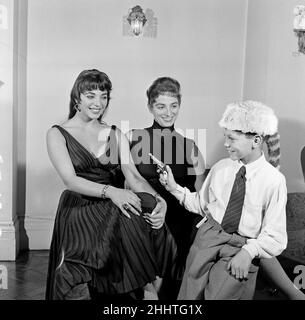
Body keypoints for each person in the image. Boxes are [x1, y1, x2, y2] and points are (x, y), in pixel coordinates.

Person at [45, 69, 176, 300]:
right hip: (80, 205)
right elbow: (70, 180)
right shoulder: (57, 134)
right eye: (91, 95)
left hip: (115, 202)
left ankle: (145, 287)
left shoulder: (115, 133)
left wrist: (160, 201)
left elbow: (134, 177)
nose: (98, 103)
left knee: (151, 214)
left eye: (103, 96)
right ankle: (145, 288)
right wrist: (111, 192)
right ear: (77, 97)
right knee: (124, 220)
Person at [159, 100, 289, 300]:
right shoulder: (221, 168)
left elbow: (275, 236)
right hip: (208, 236)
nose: (226, 143)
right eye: (225, 137)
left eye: (232, 138)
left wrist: (248, 253)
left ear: (255, 141)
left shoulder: (274, 181)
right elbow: (202, 205)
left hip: (241, 245)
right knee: (189, 294)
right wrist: (174, 188)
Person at [127, 77, 206, 298]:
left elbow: (200, 197)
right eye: (161, 106)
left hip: (178, 221)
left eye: (174, 106)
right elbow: (120, 182)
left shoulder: (190, 147)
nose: (168, 113)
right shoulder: (131, 139)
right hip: (143, 217)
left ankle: (158, 291)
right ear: (150, 106)